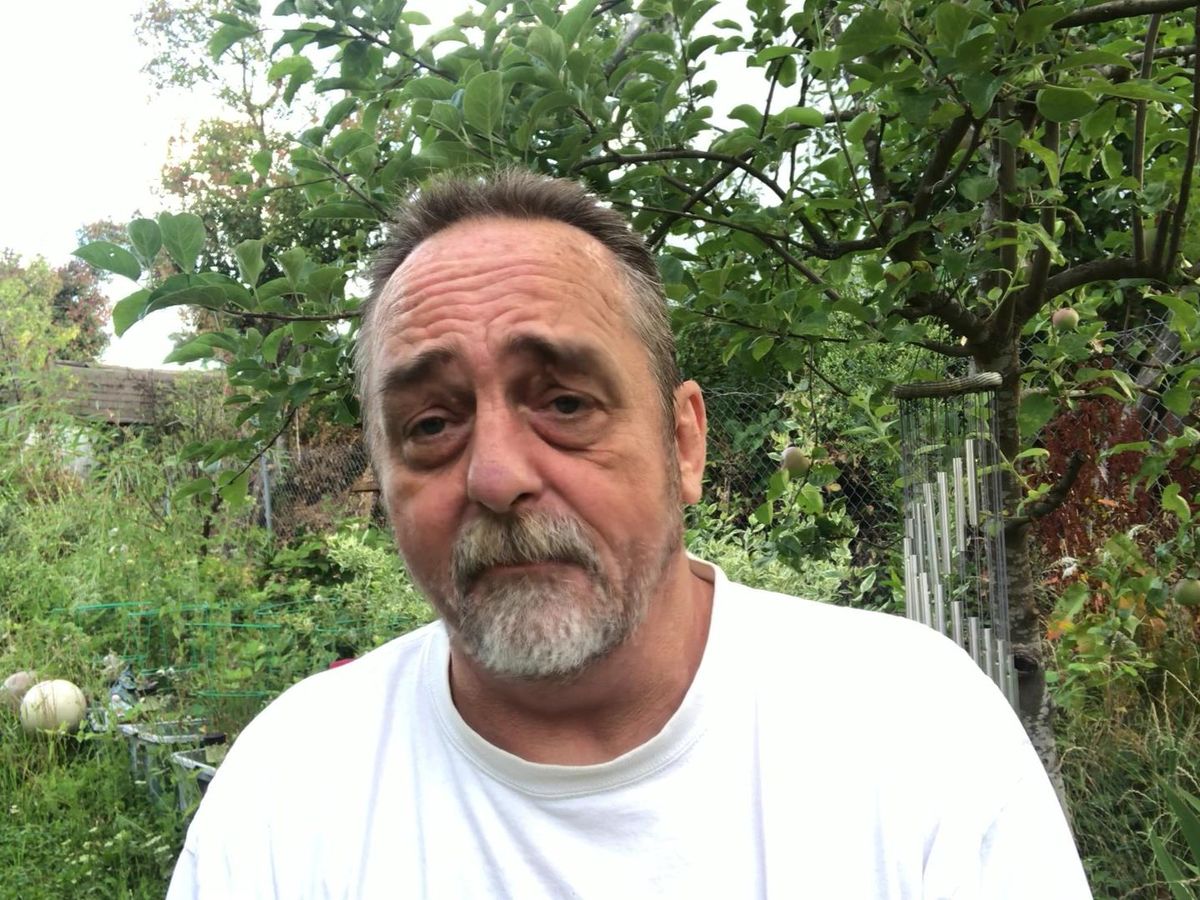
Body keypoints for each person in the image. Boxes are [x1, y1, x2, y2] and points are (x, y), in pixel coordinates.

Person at [167, 170, 1092, 898]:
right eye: (432, 424)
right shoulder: (289, 797)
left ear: (683, 443)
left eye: (565, 403)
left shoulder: (912, 733)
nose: (496, 477)